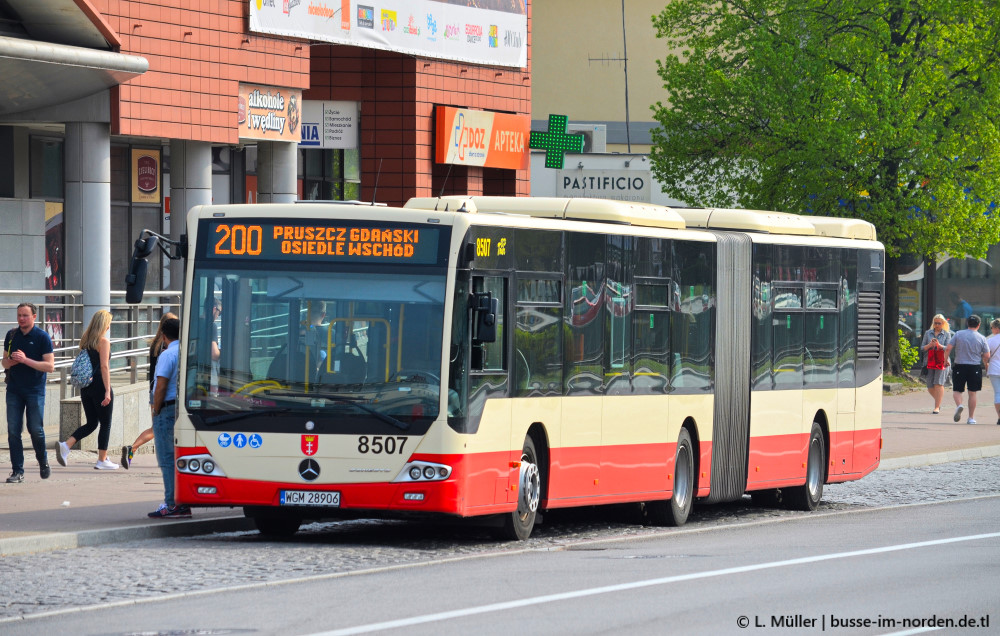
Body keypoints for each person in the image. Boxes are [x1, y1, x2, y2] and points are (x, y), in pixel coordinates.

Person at [54, 310, 117, 469]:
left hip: (86, 387)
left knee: (92, 423)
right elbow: (104, 366)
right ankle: (102, 460)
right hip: (99, 386)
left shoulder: (86, 340)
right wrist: (107, 390)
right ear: (103, 324)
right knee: (105, 424)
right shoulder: (103, 342)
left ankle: (66, 446)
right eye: (108, 323)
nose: (109, 326)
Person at [4, 302, 55, 483]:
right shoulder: (11, 335)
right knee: (13, 431)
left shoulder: (42, 337)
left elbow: (50, 366)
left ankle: (43, 461)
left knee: (35, 430)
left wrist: (25, 360)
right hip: (14, 390)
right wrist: (11, 361)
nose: (21, 319)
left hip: (35, 390)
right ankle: (17, 471)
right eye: (19, 315)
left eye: (25, 315)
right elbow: (4, 362)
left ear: (34, 317)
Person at [121, 312, 177, 469]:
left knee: (158, 428)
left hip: (153, 390)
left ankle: (133, 449)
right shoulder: (166, 347)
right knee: (161, 428)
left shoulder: (155, 344)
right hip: (164, 392)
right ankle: (134, 448)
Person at [147, 317, 190, 518]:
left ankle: (172, 503)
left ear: (164, 335)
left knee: (166, 458)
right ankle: (183, 502)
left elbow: (161, 386)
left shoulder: (168, 354)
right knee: (180, 457)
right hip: (182, 408)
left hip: (167, 409)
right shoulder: (187, 351)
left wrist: (156, 409)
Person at [945, 314, 990, 425]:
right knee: (972, 393)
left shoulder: (959, 334)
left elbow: (948, 348)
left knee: (957, 390)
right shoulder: (981, 337)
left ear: (967, 323)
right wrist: (984, 361)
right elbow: (987, 355)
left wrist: (945, 360)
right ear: (979, 325)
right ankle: (971, 418)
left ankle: (959, 405)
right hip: (974, 366)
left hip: (960, 365)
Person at [920, 314, 952, 414]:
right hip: (929, 361)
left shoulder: (947, 334)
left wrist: (939, 345)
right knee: (930, 385)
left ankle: (937, 407)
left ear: (943, 324)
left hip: (942, 361)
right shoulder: (928, 333)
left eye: (939, 323)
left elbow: (948, 348)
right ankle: (939, 401)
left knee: (938, 383)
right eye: (935, 323)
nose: (937, 325)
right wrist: (930, 345)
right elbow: (922, 348)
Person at [986, 318, 1000, 426]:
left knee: (998, 393)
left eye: (992, 328)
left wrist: (986, 365)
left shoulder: (990, 340)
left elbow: (986, 356)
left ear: (996, 328)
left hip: (994, 369)